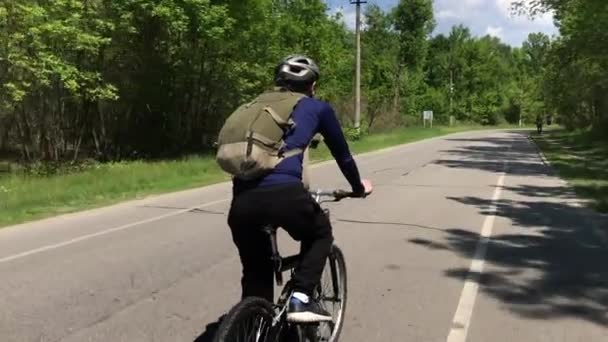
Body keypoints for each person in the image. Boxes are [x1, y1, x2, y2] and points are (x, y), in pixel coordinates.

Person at [227, 55, 373, 323]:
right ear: (312, 85)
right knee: (320, 233)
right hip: (285, 196)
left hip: (242, 201)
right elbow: (343, 156)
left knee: (256, 273)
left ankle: (251, 325)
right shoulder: (317, 108)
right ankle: (301, 297)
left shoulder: (254, 107)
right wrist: (358, 187)